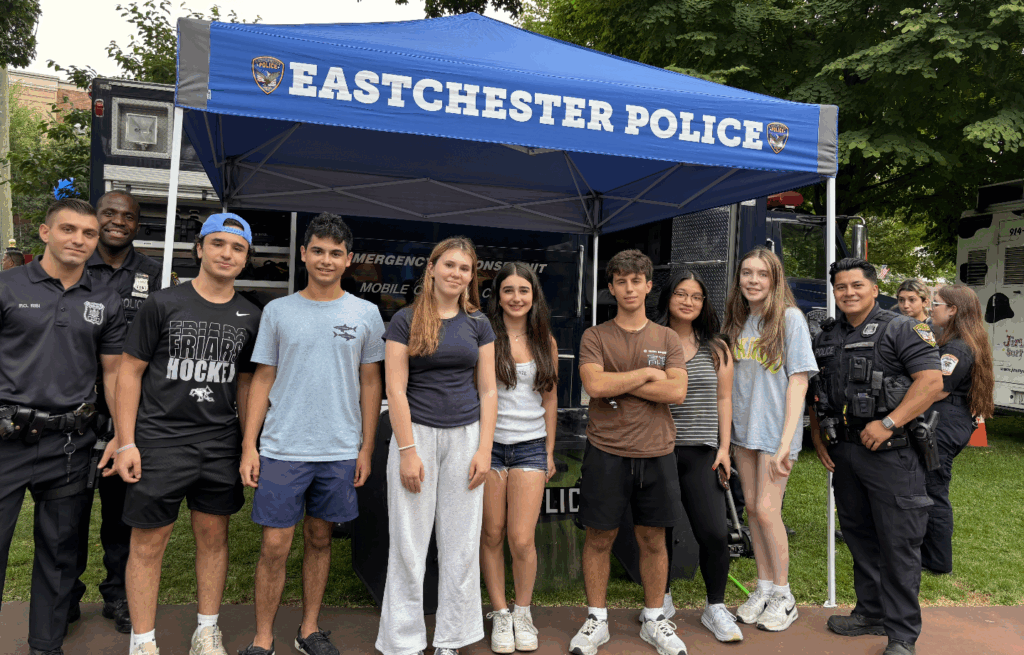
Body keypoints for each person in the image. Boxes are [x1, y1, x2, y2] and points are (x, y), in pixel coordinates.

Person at [113, 213, 262, 655]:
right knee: (148, 541)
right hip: (160, 441)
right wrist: (126, 441)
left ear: (246, 257)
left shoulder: (251, 315)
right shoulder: (162, 303)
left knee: (214, 538)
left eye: (237, 248)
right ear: (199, 249)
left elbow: (248, 382)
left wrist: (246, 443)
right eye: (217, 244)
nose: (226, 254)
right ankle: (142, 641)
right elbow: (130, 372)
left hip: (219, 443)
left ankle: (207, 630)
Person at [238, 214, 384, 655]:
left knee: (320, 539)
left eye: (335, 253)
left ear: (349, 260)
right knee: (275, 544)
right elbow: (262, 379)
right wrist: (249, 444)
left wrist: (366, 448)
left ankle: (308, 629)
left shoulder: (366, 313)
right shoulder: (279, 312)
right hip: (283, 446)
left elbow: (372, 383)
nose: (326, 260)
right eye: (318, 250)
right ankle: (263, 638)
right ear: (303, 254)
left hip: (339, 448)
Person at [0, 198, 126, 655]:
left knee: (60, 554)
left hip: (70, 442)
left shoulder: (104, 298)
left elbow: (113, 373)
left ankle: (46, 647)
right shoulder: (7, 286)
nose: (79, 240)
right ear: (45, 233)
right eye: (68, 230)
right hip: (7, 438)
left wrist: (124, 437)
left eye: (88, 234)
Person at [808, 257, 943, 655]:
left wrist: (889, 422)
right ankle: (870, 612)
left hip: (892, 454)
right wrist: (818, 437)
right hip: (845, 451)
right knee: (860, 535)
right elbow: (817, 390)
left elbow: (931, 382)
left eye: (856, 286)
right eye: (841, 287)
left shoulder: (902, 327)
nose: (848, 293)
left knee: (898, 542)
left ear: (873, 288)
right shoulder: (828, 335)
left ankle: (902, 634)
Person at [375, 236, 497, 655]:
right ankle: (402, 641)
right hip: (417, 437)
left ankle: (452, 638)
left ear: (471, 276)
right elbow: (395, 387)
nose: (457, 274)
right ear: (431, 268)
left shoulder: (479, 323)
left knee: (460, 544)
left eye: (465, 268)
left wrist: (485, 449)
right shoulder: (404, 320)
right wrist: (408, 451)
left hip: (466, 438)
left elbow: (488, 391)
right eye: (449, 265)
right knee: (409, 545)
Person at [570, 249, 688, 655]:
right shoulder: (595, 336)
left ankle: (655, 619)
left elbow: (676, 391)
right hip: (607, 450)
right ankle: (596, 620)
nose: (629, 287)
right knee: (600, 537)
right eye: (621, 281)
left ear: (648, 285)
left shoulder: (668, 337)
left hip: (656, 452)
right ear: (611, 287)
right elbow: (595, 388)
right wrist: (645, 374)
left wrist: (617, 380)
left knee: (653, 539)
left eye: (636, 280)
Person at [70, 190, 162, 634]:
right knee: (66, 510)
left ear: (137, 225)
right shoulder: (74, 265)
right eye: (109, 213)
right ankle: (65, 594)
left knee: (121, 514)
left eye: (128, 216)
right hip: (72, 406)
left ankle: (119, 596)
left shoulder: (153, 274)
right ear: (96, 216)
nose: (118, 221)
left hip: (128, 413)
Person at [723, 246, 817, 633]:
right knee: (751, 511)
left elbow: (800, 380)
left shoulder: (790, 319)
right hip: (745, 434)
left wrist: (787, 441)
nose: (753, 280)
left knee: (766, 510)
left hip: (776, 433)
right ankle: (762, 588)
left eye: (762, 274)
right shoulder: (738, 321)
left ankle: (784, 595)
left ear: (775, 280)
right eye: (747, 273)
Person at [654, 269, 741, 643]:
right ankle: (662, 602)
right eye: (681, 294)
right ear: (668, 298)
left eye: (696, 296)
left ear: (704, 304)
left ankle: (715, 607)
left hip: (703, 451)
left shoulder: (717, 347)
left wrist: (724, 449)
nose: (688, 301)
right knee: (659, 532)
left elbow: (725, 399)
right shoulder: (652, 340)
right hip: (657, 449)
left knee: (713, 532)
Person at [480, 263, 558, 654]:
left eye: (523, 290)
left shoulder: (546, 340)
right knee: (491, 534)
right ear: (497, 295)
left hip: (530, 446)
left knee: (521, 538)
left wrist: (549, 450)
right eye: (508, 290)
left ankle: (523, 611)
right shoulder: (484, 337)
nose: (515, 297)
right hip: (489, 448)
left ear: (533, 295)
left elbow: (550, 397)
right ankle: (500, 613)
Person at [920, 284, 993, 574]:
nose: (930, 308)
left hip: (944, 426)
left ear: (953, 310)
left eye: (935, 303)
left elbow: (937, 389)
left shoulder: (957, 347)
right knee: (929, 487)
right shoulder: (960, 342)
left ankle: (937, 562)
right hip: (951, 423)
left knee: (934, 490)